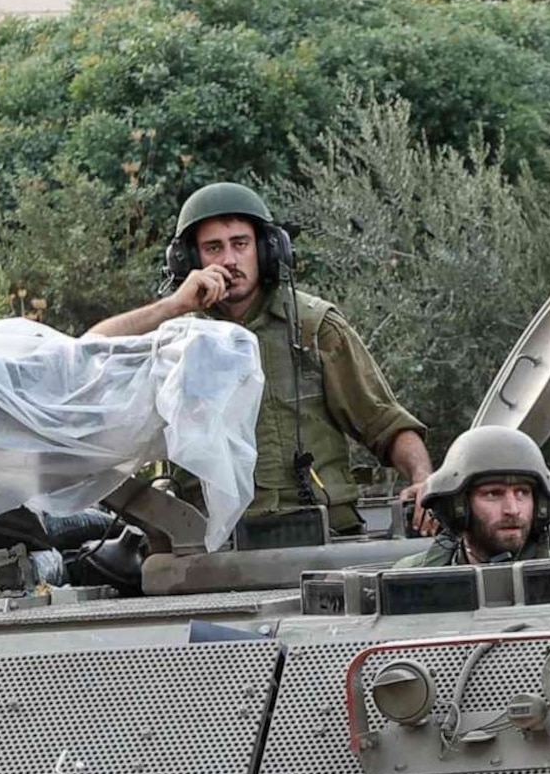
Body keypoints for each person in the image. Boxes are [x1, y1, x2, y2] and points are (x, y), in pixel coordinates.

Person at [87, 181, 430, 532]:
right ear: (190, 259)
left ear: (267, 250)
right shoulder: (176, 339)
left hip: (323, 537)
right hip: (212, 547)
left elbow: (384, 423)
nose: (229, 260)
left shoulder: (314, 327)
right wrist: (174, 306)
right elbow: (89, 352)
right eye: (213, 248)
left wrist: (423, 480)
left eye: (240, 244)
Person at [398, 425, 550, 567]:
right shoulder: (412, 580)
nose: (512, 510)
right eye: (493, 494)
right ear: (458, 508)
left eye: (522, 492)